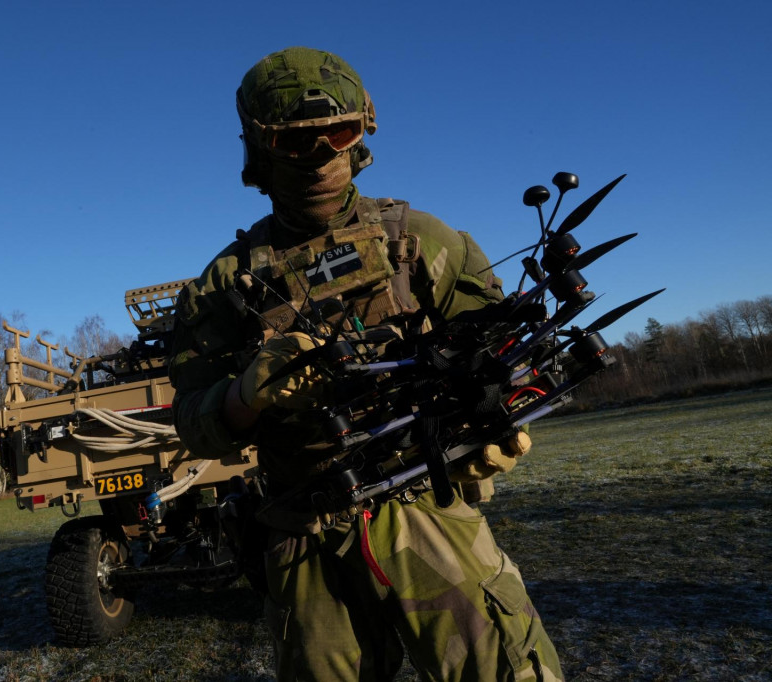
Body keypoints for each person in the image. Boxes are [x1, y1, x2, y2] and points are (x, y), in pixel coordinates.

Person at [169, 46, 563, 682]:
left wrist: (504, 421)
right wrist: (246, 393)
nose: (324, 155)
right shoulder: (222, 289)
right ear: (260, 149)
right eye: (298, 142)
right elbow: (193, 421)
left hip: (428, 508)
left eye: (341, 132)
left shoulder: (427, 244)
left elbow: (507, 356)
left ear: (364, 134)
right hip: (303, 529)